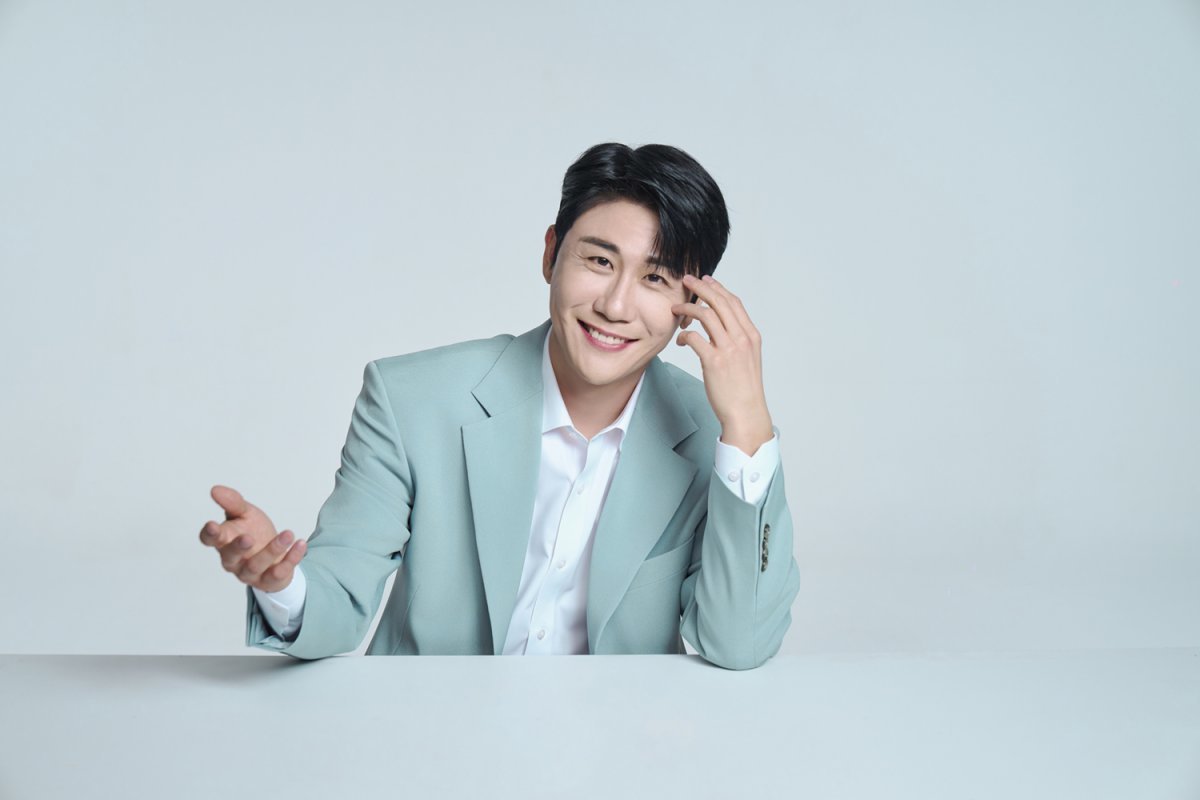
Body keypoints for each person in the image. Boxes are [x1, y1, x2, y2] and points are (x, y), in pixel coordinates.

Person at [199, 143, 800, 669]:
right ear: (551, 254)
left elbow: (739, 643)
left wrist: (747, 421)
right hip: (430, 734)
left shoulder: (715, 439)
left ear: (693, 304)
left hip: (614, 742)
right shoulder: (410, 400)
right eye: (599, 261)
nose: (616, 306)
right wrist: (283, 584)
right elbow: (340, 592)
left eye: (656, 279)